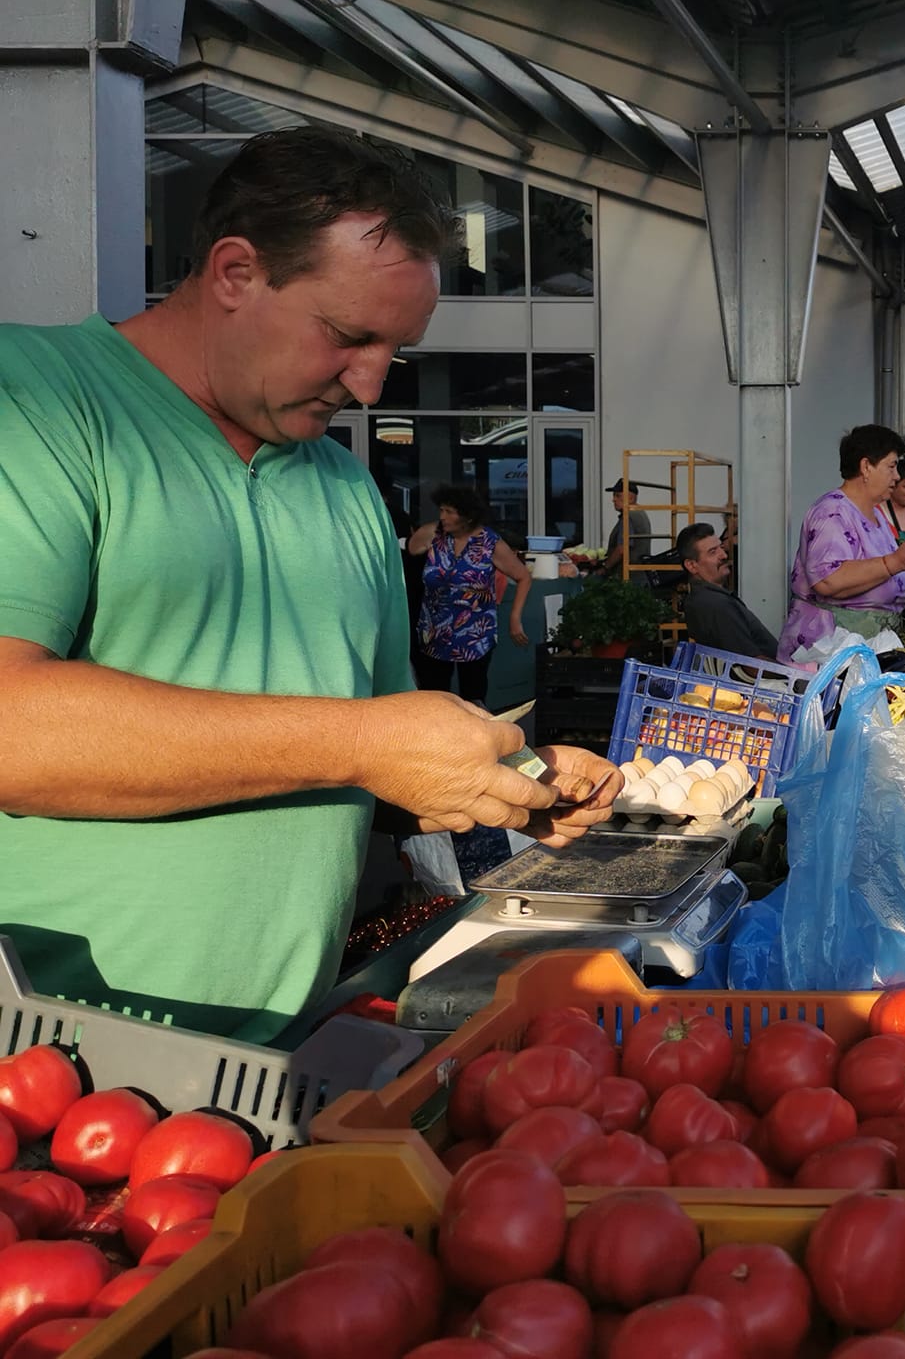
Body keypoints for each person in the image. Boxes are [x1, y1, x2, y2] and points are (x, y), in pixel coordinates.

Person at [0, 127, 620, 1042]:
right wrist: (364, 742)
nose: (368, 387)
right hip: (56, 1061)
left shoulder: (342, 486)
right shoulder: (36, 402)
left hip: (286, 1048)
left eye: (393, 351)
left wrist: (508, 777)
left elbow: (377, 757)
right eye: (347, 335)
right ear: (236, 273)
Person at [777, 425, 905, 661]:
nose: (896, 476)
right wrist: (895, 562)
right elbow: (828, 580)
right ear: (866, 467)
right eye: (891, 466)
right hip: (828, 656)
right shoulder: (832, 512)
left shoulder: (876, 514)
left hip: (865, 651)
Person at [406, 483, 531, 703]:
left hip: (475, 632)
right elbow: (411, 549)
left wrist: (514, 618)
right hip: (435, 630)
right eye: (441, 510)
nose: (442, 517)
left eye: (449, 512)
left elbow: (523, 577)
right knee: (434, 697)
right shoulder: (433, 534)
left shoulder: (489, 543)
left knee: (473, 695)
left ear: (467, 516)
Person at [677, 523, 778, 661]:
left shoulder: (703, 599)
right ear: (692, 565)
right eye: (713, 552)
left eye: (721, 548)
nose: (724, 555)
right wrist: (793, 671)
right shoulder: (716, 604)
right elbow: (749, 664)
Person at [602, 478, 656, 578]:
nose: (613, 499)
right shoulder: (640, 513)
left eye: (618, 495)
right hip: (640, 574)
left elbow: (622, 549)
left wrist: (605, 567)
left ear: (630, 498)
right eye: (614, 495)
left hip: (630, 576)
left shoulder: (628, 516)